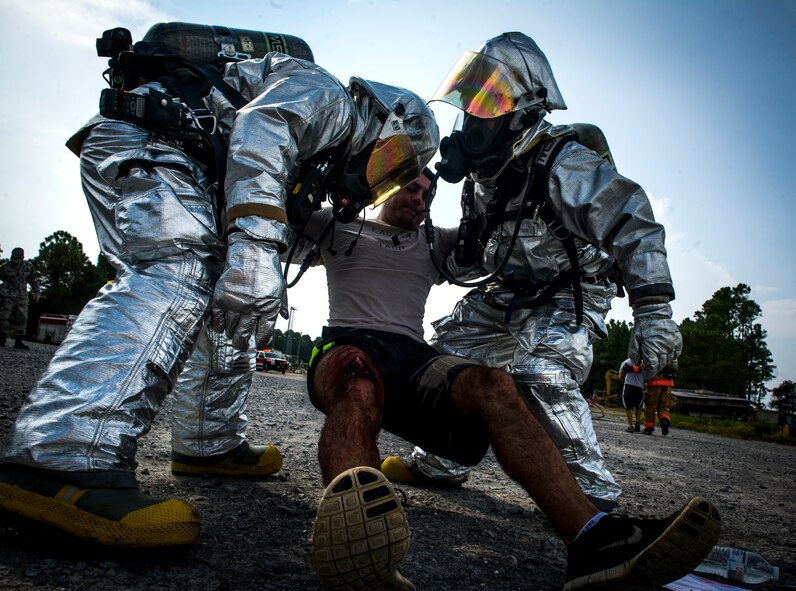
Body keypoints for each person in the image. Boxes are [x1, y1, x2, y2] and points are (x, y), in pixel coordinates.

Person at [0, 36, 439, 549]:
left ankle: (207, 440)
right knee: (183, 265)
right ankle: (60, 455)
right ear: (387, 122)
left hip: (167, 154)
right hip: (152, 145)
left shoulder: (316, 155)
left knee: (238, 303)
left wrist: (264, 259)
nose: (380, 180)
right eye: (393, 163)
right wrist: (254, 249)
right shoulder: (330, 99)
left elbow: (273, 204)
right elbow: (263, 128)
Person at [301, 171, 720, 590]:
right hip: (348, 342)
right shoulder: (336, 223)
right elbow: (274, 212)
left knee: (495, 385)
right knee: (358, 383)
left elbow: (506, 240)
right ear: (387, 185)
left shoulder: (435, 241)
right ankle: (363, 551)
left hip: (413, 355)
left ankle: (593, 540)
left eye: (429, 192)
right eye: (412, 188)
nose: (421, 199)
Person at [0, 247, 41, 349]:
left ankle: (19, 341)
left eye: (17, 259)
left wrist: (37, 292)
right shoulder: (5, 267)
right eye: (13, 258)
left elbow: (33, 280)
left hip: (22, 296)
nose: (15, 261)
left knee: (22, 318)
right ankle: (1, 339)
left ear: (23, 257)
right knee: (4, 317)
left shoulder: (28, 267)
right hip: (7, 295)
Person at [642, 366, 676, 435]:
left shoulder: (653, 355)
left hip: (654, 382)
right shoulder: (668, 356)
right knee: (663, 405)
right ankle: (664, 420)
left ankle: (649, 427)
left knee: (650, 405)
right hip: (668, 382)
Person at [619, 358, 644, 433]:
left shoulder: (626, 362)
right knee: (638, 406)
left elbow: (620, 377)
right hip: (640, 388)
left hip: (628, 386)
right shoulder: (644, 363)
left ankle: (630, 426)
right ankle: (637, 423)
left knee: (628, 407)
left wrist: (625, 380)